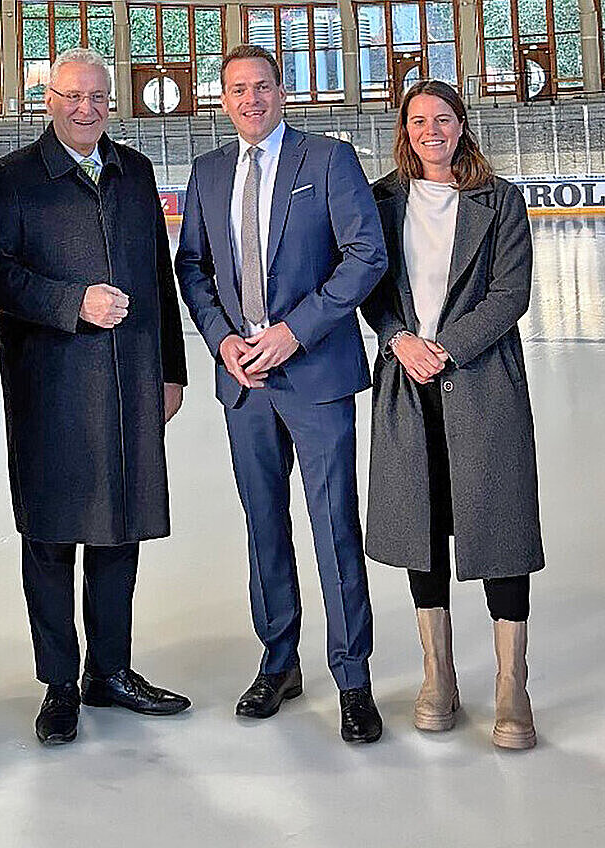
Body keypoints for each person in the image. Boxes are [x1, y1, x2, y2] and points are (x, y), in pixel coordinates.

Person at [0, 47, 191, 746]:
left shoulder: (135, 171)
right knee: (50, 537)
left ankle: (110, 671)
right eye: (72, 96)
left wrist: (172, 369)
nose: (86, 108)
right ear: (49, 101)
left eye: (97, 97)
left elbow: (159, 277)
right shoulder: (12, 178)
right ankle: (60, 682)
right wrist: (73, 303)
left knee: (120, 528)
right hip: (51, 387)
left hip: (129, 379)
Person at [173, 45, 388, 743]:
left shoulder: (327, 160)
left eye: (261, 86)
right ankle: (278, 662)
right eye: (237, 89)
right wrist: (221, 340)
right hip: (245, 384)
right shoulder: (208, 172)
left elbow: (367, 255)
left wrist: (295, 332)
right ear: (223, 99)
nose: (251, 99)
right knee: (263, 525)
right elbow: (193, 267)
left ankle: (352, 677)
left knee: (333, 527)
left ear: (281, 90)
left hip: (315, 375)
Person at [360, 79, 544, 750]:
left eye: (442, 119)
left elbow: (510, 293)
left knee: (498, 524)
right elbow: (370, 287)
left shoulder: (500, 200)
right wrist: (398, 339)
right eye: (418, 121)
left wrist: (447, 347)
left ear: (461, 125)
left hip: (481, 380)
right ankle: (437, 673)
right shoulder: (380, 200)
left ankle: (511, 682)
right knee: (422, 522)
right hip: (407, 383)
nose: (430, 131)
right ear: (403, 130)